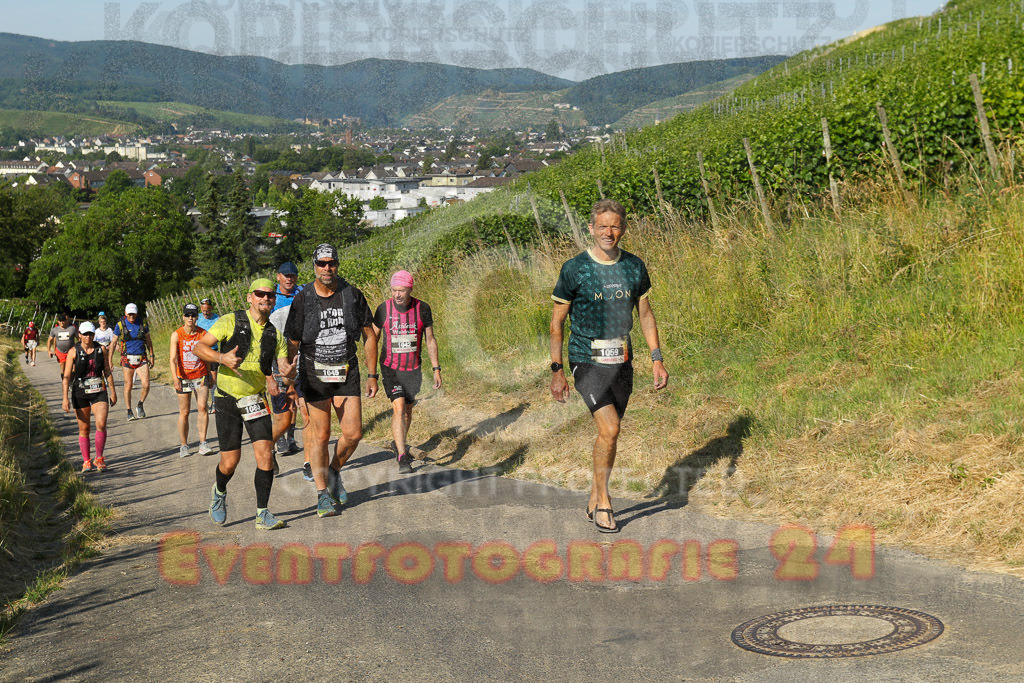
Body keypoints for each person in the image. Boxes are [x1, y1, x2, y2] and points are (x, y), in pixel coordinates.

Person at [549, 199, 669, 533]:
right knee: (610, 429)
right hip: (585, 359)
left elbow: (645, 315)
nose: (609, 232)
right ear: (591, 229)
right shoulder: (574, 269)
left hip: (622, 362)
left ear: (624, 228)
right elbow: (557, 323)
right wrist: (557, 369)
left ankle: (593, 495)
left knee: (609, 436)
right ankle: (604, 502)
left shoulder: (634, 266)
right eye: (602, 226)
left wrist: (657, 358)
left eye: (615, 226)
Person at [284, 244, 378, 517]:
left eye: (332, 263)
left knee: (353, 433)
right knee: (321, 435)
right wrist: (290, 376)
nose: (327, 268)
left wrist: (372, 375)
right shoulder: (303, 299)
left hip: (346, 372)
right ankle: (322, 494)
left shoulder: (352, 295)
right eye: (322, 263)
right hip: (314, 374)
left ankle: (334, 470)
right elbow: (292, 341)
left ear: (337, 264)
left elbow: (369, 335)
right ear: (314, 266)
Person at [192, 279, 292, 530]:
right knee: (230, 462)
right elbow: (198, 347)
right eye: (260, 294)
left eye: (270, 295)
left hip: (254, 400)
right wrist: (221, 357)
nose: (265, 299)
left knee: (265, 456)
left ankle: (262, 513)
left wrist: (287, 373)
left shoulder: (274, 335)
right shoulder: (231, 321)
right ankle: (219, 490)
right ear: (250, 297)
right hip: (227, 398)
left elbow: (283, 367)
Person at [372, 270, 442, 474]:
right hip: (390, 367)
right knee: (399, 407)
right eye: (394, 290)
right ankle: (402, 456)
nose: (397, 295)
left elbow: (430, 339)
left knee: (408, 410)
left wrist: (436, 368)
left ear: (410, 289)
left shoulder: (422, 308)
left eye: (401, 291)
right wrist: (371, 372)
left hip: (413, 368)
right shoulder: (383, 309)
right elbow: (372, 338)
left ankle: (398, 442)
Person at [62, 321, 117, 472]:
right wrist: (65, 398)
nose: (88, 337)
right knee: (84, 428)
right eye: (85, 334)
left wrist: (113, 391)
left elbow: (107, 371)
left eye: (91, 334)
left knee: (101, 423)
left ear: (94, 335)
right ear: (79, 335)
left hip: (99, 390)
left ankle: (99, 458)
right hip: (80, 393)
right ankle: (87, 461)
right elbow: (66, 376)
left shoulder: (102, 349)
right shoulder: (73, 352)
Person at [170, 303, 214, 458]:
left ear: (197, 317)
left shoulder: (203, 334)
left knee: (203, 407)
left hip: (201, 375)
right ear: (183, 316)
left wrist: (210, 374)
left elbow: (207, 355)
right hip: (183, 377)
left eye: (193, 315)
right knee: (185, 411)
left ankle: (203, 443)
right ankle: (184, 445)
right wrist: (175, 378)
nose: (190, 318)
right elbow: (173, 358)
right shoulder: (177, 334)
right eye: (188, 315)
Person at [272, 261, 303, 455]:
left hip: (298, 351)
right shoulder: (271, 297)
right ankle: (278, 439)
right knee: (280, 394)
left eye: (292, 275)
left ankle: (290, 437)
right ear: (278, 276)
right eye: (285, 275)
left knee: (297, 394)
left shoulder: (301, 294)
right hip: (277, 352)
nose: (289, 278)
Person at [114, 303, 155, 421]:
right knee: (128, 386)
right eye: (130, 314)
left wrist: (152, 355)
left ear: (136, 314)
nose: (132, 316)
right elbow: (113, 342)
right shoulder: (120, 325)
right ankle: (129, 410)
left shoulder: (142, 324)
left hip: (141, 358)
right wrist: (109, 360)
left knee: (146, 385)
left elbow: (148, 340)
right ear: (126, 314)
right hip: (127, 358)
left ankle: (140, 404)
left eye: (133, 314)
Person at [197, 297, 220, 414]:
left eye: (208, 310)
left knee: (213, 377)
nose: (206, 313)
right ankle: (202, 402)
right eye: (203, 310)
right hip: (200, 351)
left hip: (213, 351)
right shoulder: (198, 318)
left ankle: (214, 402)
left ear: (211, 308)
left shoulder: (217, 319)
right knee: (202, 377)